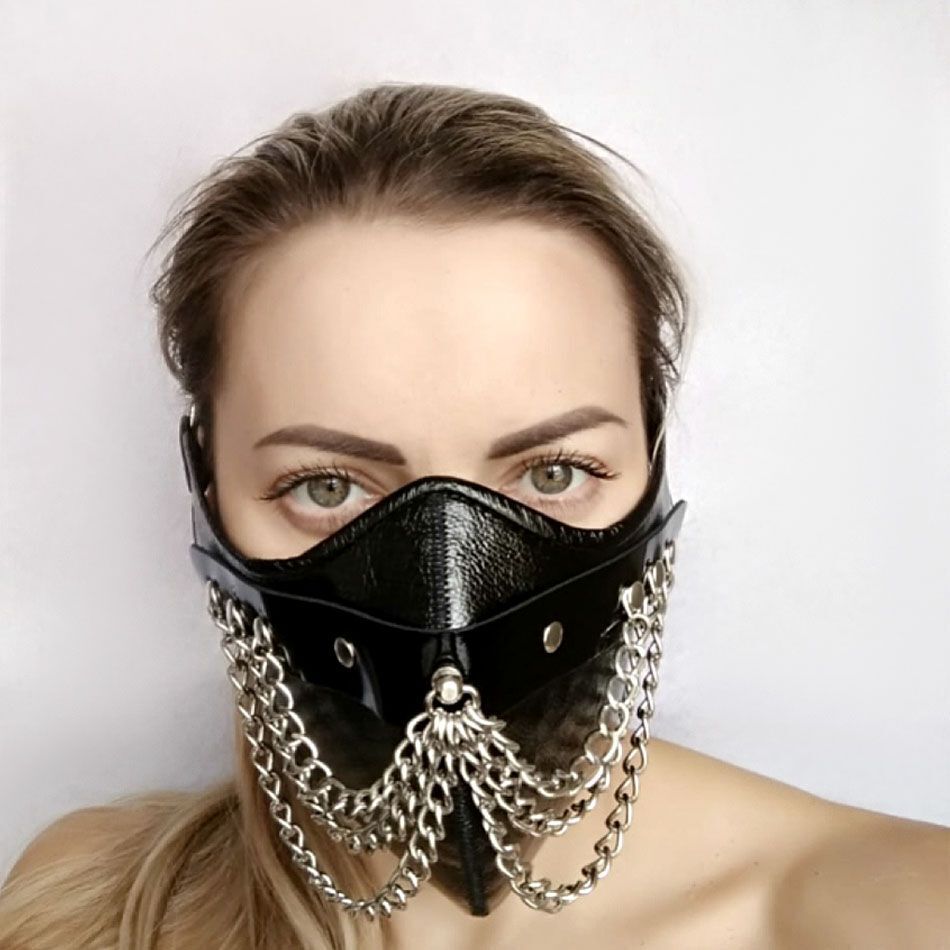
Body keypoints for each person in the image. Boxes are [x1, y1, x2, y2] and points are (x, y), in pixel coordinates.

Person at [1, 81, 946, 950]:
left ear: (653, 469)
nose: (449, 611)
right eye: (327, 486)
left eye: (554, 473)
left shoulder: (897, 914)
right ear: (207, 495)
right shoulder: (94, 909)